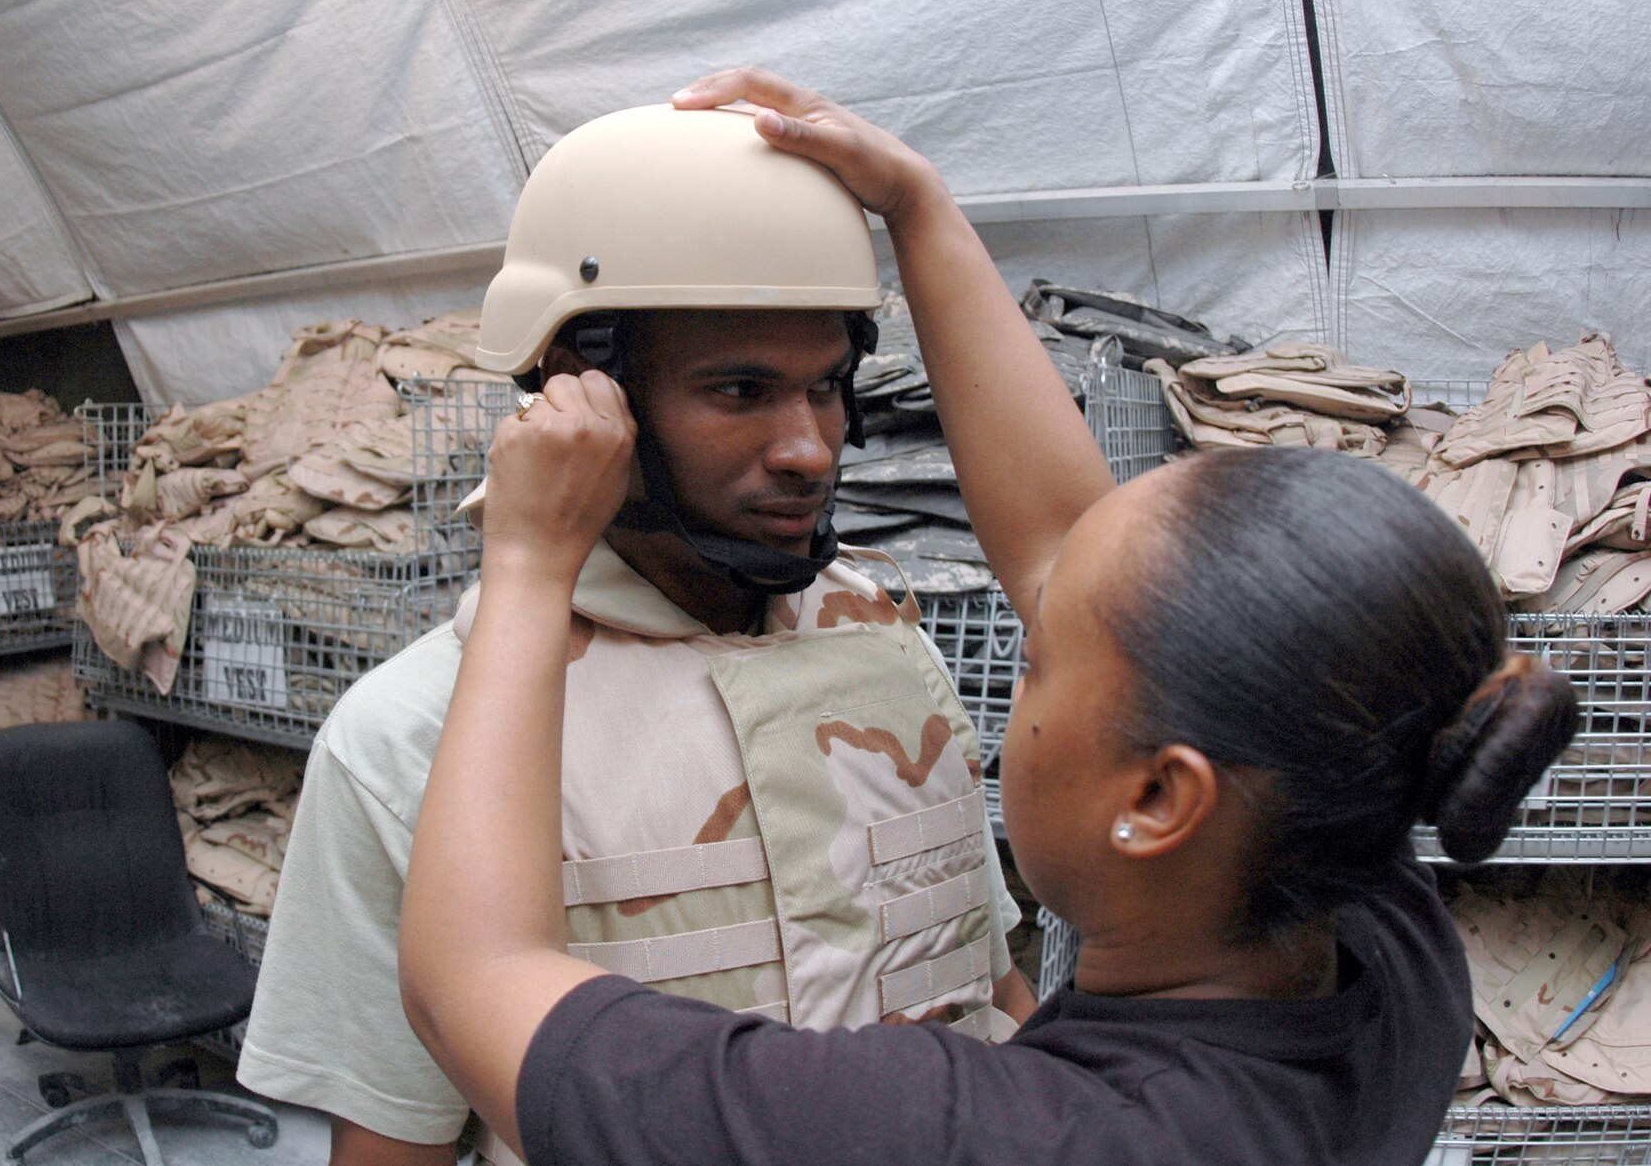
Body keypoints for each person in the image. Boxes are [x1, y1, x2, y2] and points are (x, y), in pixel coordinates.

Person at [395, 69, 1584, 1165]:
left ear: (1159, 799)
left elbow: (470, 979)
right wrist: (914, 209)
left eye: (1038, 662)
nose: (806, 441)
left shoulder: (975, 1131)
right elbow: (1068, 541)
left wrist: (527, 564)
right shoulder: (1381, 936)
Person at [238, 91, 1114, 1163]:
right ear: (584, 393)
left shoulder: (881, 643)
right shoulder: (414, 734)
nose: (808, 447)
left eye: (827, 387)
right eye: (739, 389)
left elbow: (982, 988)